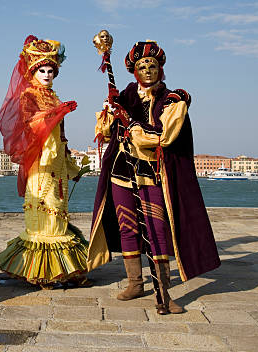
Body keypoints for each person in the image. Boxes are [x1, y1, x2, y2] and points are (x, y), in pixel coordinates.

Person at [87, 40, 220, 314]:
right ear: (134, 71)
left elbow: (164, 137)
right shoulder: (123, 96)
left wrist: (132, 125)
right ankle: (135, 283)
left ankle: (164, 292)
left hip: (151, 174)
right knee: (128, 228)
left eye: (152, 65)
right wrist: (111, 115)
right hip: (121, 172)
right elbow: (109, 134)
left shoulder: (173, 100)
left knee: (156, 230)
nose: (147, 69)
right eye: (141, 65)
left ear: (161, 68)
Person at [0, 35, 89, 289]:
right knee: (44, 211)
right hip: (40, 161)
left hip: (57, 162)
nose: (47, 75)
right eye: (42, 70)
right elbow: (31, 126)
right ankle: (42, 271)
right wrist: (57, 112)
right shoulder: (28, 96)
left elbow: (60, 135)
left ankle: (59, 269)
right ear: (33, 72)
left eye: (50, 70)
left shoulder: (53, 96)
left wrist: (71, 166)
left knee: (58, 211)